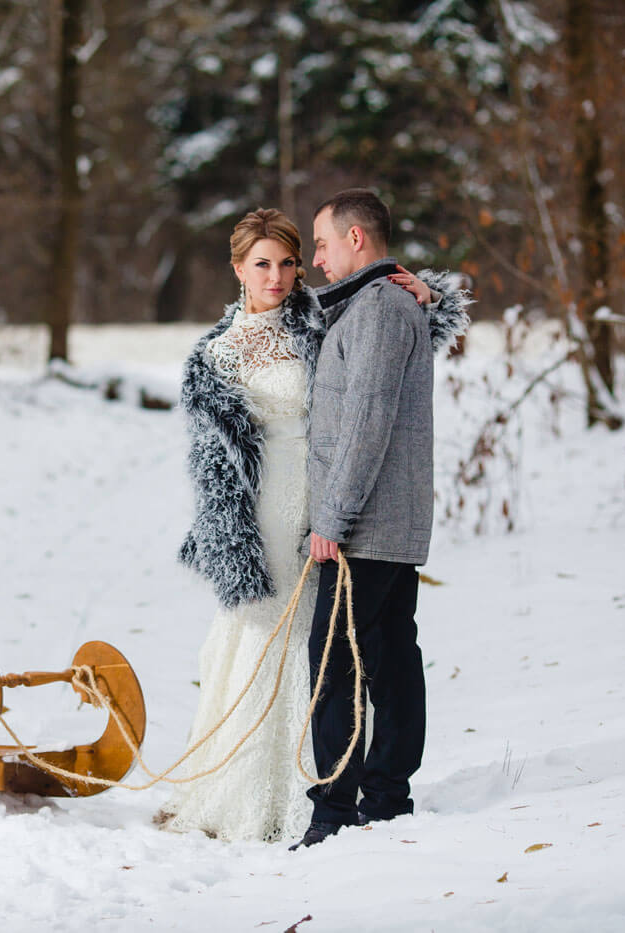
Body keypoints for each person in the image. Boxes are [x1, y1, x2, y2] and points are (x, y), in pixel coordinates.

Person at [157, 207, 467, 843]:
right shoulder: (214, 354)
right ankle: (249, 791)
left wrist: (430, 296)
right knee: (263, 630)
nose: (277, 276)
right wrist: (225, 532)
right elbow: (213, 463)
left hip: (330, 495)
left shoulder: (321, 316)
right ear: (239, 268)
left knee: (329, 645)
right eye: (262, 264)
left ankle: (329, 789)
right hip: (265, 507)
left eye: (289, 262)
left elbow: (393, 354)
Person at [295, 189, 468, 849]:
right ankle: (389, 794)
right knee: (390, 653)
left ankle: (335, 809)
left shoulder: (378, 310)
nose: (317, 258)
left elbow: (366, 424)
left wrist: (331, 518)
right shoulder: (388, 305)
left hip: (364, 526)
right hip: (388, 525)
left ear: (357, 239)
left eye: (322, 243)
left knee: (334, 659)